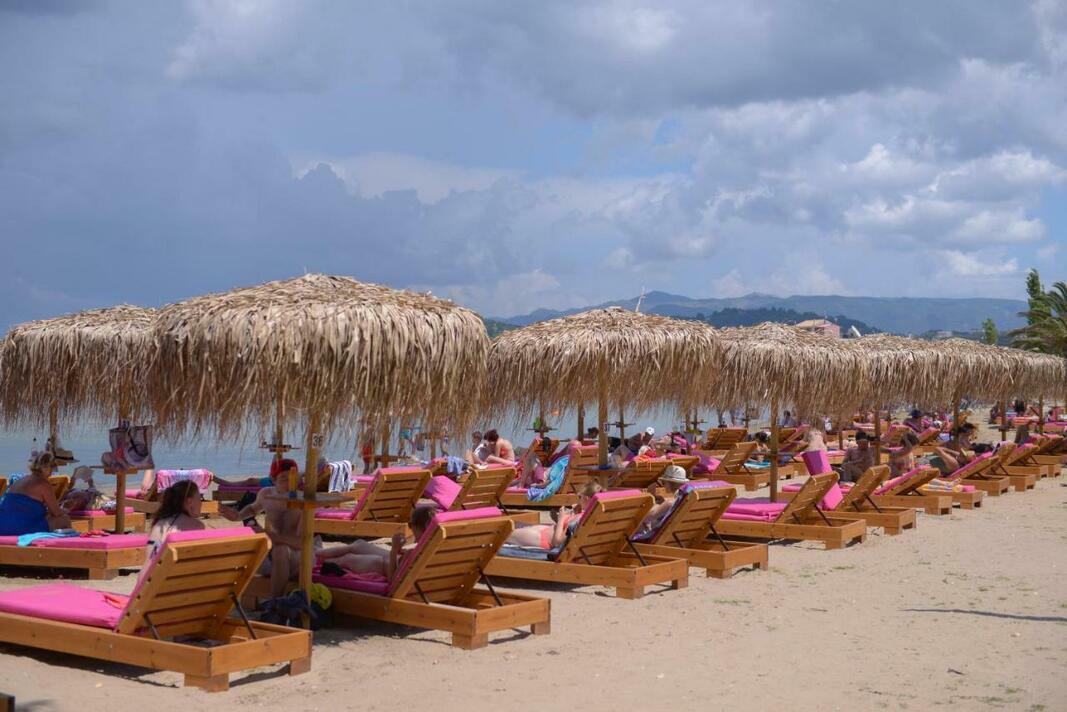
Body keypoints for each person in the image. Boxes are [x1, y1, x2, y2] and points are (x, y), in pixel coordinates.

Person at [219, 458, 310, 598]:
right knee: (236, 547)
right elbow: (252, 508)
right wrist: (238, 516)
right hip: (273, 552)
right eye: (283, 479)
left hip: (300, 556)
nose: (288, 484)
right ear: (273, 479)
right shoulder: (266, 494)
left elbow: (302, 543)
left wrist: (268, 535)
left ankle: (274, 602)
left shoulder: (303, 501)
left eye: (292, 479)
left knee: (280, 550)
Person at [316, 506, 435, 578]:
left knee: (348, 558)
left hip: (381, 566)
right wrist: (399, 550)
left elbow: (393, 578)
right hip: (390, 560)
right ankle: (318, 552)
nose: (410, 528)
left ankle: (317, 558)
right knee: (358, 544)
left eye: (410, 525)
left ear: (419, 526)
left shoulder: (420, 549)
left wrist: (394, 550)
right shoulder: (431, 543)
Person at [505, 481, 602, 548]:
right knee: (509, 528)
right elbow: (566, 529)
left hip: (544, 539)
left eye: (579, 497)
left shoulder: (580, 520)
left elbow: (557, 542)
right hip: (544, 532)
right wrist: (571, 514)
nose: (578, 500)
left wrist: (561, 518)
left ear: (586, 499)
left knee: (502, 534)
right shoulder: (589, 515)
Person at [0, 452, 71, 535]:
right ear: (50, 467)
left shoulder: (20, 481)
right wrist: (67, 509)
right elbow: (56, 512)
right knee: (64, 519)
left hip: (2, 525)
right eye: (54, 466)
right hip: (20, 528)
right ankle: (67, 541)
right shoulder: (43, 483)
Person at [144, 480, 206, 564]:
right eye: (199, 499)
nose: (201, 503)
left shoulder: (159, 524)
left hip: (153, 571)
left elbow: (150, 558)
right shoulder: (197, 526)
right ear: (189, 502)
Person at [634, 465, 688, 539]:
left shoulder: (670, 502)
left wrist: (650, 497)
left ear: (669, 483)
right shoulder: (682, 498)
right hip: (673, 536)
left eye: (663, 482)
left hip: (657, 538)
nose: (663, 485)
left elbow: (647, 516)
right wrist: (660, 501)